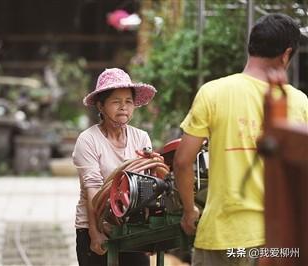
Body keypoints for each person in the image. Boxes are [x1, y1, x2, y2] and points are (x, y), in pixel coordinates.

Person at [173, 13, 308, 266]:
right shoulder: (299, 102)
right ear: (286, 54)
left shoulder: (213, 92)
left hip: (220, 236)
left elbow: (182, 162)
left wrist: (189, 210)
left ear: (252, 46)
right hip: (275, 241)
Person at [72, 68, 156, 266]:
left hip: (131, 226)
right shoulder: (88, 140)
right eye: (116, 101)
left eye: (128, 101)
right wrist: (95, 232)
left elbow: (149, 181)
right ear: (100, 106)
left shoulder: (141, 138)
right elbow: (92, 189)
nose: (123, 107)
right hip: (93, 226)